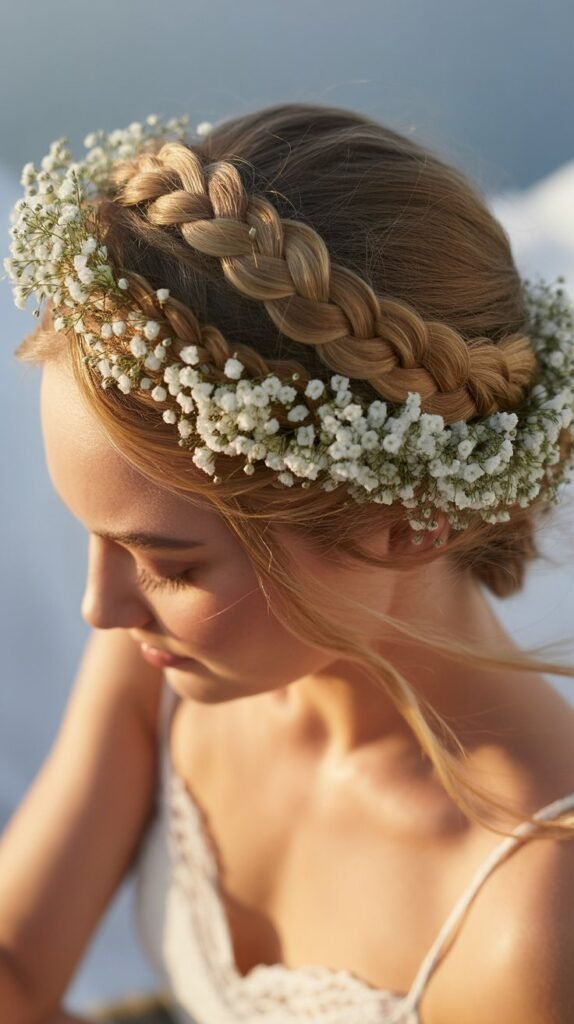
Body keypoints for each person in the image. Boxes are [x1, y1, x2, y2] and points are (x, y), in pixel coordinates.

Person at [2, 102, 574, 1024]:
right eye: (95, 538)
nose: (99, 609)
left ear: (411, 520)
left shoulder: (534, 919)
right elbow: (15, 972)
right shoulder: (166, 663)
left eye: (171, 565)